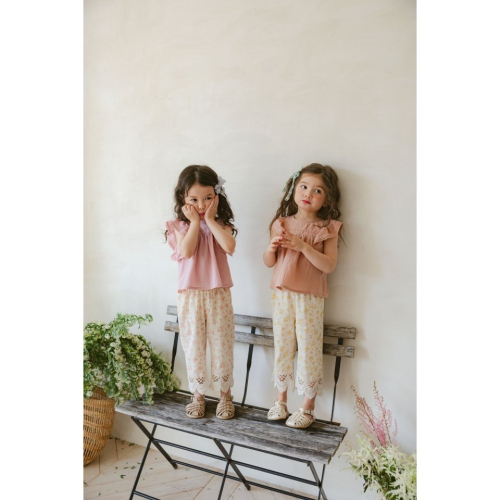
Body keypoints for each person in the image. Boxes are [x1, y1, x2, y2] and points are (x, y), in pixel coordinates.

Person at [263, 163, 343, 429]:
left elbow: (328, 266)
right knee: (283, 345)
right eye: (304, 187)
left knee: (309, 347)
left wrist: (303, 246)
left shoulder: (328, 228)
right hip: (282, 294)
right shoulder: (281, 223)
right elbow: (269, 262)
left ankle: (307, 408)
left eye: (318, 190)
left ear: (327, 199)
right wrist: (271, 248)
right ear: (294, 189)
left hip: (310, 296)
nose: (309, 193)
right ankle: (280, 402)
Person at [165, 165, 237, 420]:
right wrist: (196, 222)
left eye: (207, 198)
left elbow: (229, 246)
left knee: (222, 344)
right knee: (193, 344)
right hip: (190, 296)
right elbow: (186, 251)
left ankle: (225, 396)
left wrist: (210, 220)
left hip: (218, 293)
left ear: (217, 196)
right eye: (194, 199)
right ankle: (197, 395)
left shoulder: (221, 224)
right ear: (183, 198)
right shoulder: (178, 226)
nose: (201, 204)